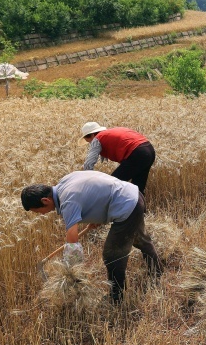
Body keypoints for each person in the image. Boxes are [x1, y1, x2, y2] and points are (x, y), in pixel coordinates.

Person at [21, 170, 162, 303]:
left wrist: (72, 271)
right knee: (140, 239)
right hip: (133, 195)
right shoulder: (64, 182)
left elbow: (72, 241)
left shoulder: (67, 201)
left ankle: (117, 296)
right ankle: (157, 270)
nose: (41, 214)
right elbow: (92, 191)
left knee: (112, 255)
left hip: (127, 206)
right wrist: (97, 217)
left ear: (45, 201)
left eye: (38, 211)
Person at [80, 122, 155, 195]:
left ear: (92, 135)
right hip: (149, 150)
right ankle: (138, 207)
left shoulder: (97, 139)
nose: (90, 144)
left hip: (137, 154)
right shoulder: (112, 132)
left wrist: (86, 181)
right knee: (138, 188)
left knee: (111, 185)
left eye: (89, 141)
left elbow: (88, 163)